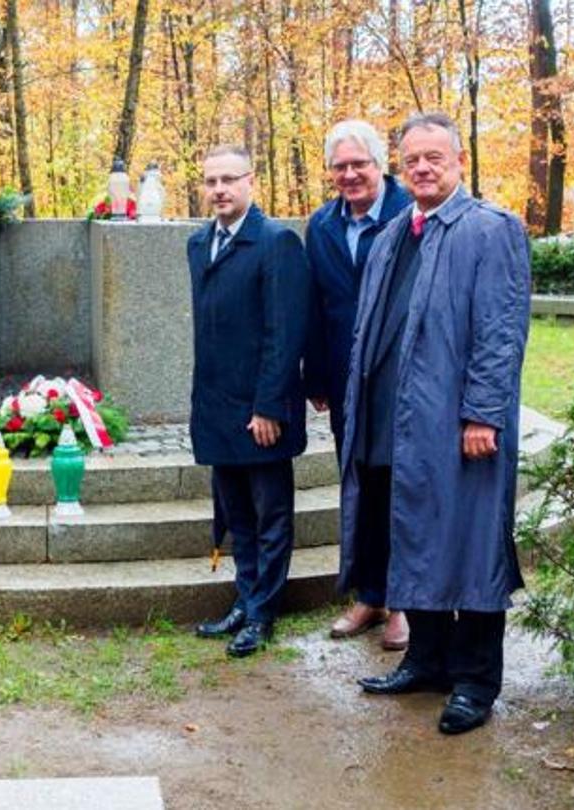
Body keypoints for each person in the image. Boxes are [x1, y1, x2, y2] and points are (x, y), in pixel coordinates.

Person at [342, 112, 531, 735]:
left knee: (469, 547)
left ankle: (476, 681)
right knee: (411, 539)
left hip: (457, 425)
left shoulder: (490, 229)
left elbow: (501, 331)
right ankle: (425, 660)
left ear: (459, 162)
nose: (422, 168)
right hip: (393, 424)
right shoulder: (396, 233)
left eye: (435, 158)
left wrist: (483, 411)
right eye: (412, 159)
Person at [185, 145, 311, 659]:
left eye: (228, 180)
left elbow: (284, 332)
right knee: (236, 514)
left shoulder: (277, 242)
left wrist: (269, 406)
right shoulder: (199, 244)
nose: (219, 190)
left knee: (270, 515)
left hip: (261, 412)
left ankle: (263, 613)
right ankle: (245, 597)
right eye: (210, 181)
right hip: (217, 407)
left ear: (251, 181)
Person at [303, 119, 413, 650]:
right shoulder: (321, 226)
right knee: (360, 486)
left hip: (401, 379)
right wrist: (318, 377)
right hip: (347, 385)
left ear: (380, 165)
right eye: (340, 167)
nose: (350, 175)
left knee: (398, 487)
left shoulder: (410, 216)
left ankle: (405, 603)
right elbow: (318, 306)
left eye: (359, 165)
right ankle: (370, 595)